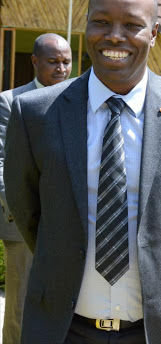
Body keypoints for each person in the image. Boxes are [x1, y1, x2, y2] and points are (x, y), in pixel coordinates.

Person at [4, 0, 161, 344]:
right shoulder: (35, 114)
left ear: (155, 32)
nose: (114, 36)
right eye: (101, 22)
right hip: (63, 329)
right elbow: (29, 211)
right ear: (86, 26)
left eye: (131, 25)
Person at [0, 33, 72, 344]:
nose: (61, 69)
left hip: (70, 226)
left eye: (66, 62)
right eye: (53, 62)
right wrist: (30, 216)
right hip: (24, 225)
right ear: (34, 62)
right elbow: (4, 166)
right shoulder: (10, 101)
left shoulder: (78, 101)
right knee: (20, 309)